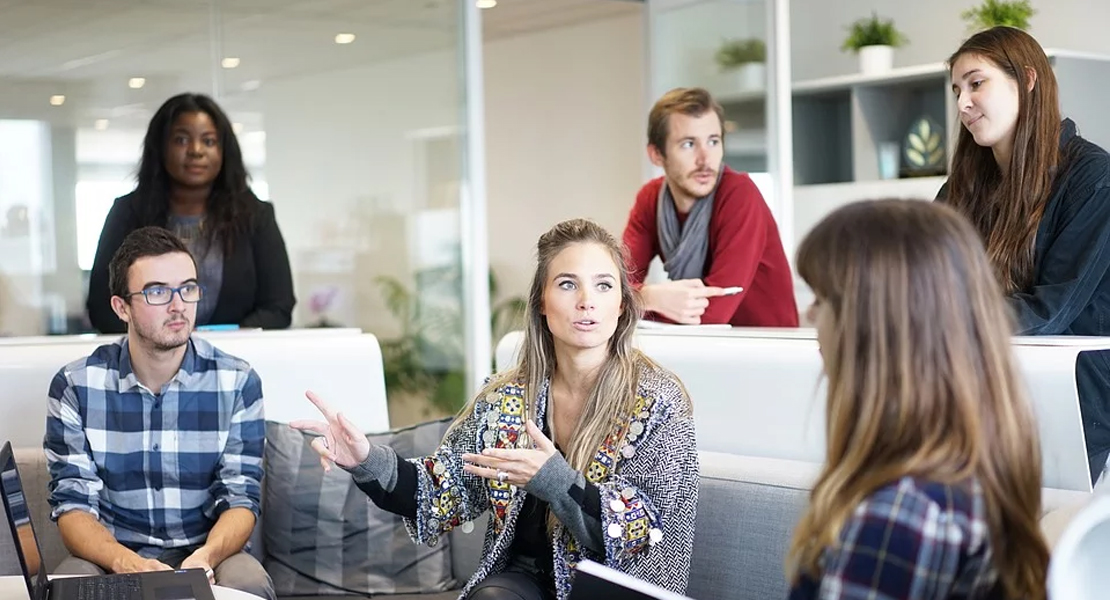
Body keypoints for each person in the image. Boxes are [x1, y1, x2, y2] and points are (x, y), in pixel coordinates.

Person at [292, 219, 699, 600]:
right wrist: (366, 460)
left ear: (622, 306)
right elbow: (443, 489)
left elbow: (642, 531)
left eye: (604, 286)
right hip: (522, 584)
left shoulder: (659, 400)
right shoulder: (507, 397)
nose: (587, 301)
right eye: (568, 284)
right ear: (542, 301)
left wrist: (555, 480)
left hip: (617, 587)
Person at [787, 200, 1049, 599]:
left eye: (822, 300)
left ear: (873, 327)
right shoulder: (969, 473)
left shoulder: (899, 516)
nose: (809, 316)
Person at [46, 227, 272, 599]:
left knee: (248, 582)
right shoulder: (75, 385)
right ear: (122, 307)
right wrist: (126, 563)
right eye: (157, 292)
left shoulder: (237, 381)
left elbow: (241, 497)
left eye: (188, 288)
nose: (178, 305)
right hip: (113, 555)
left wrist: (205, 557)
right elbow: (73, 506)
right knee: (68, 585)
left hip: (208, 552)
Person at [937, 26, 1110, 485]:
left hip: (1076, 399)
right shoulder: (961, 190)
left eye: (976, 83)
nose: (962, 104)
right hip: (985, 385)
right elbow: (924, 280)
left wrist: (937, 319)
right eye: (957, 90)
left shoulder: (1094, 178)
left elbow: (1050, 310)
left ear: (1028, 80)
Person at [87, 92, 295, 334]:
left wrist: (217, 343)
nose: (196, 151)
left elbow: (278, 307)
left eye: (209, 141)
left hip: (235, 361)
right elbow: (102, 308)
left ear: (224, 151)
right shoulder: (128, 213)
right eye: (181, 140)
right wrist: (165, 340)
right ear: (160, 147)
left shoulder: (256, 216)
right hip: (149, 363)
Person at [621, 87, 797, 327]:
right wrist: (649, 297)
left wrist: (636, 301)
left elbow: (713, 313)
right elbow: (613, 287)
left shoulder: (739, 194)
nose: (705, 159)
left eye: (713, 141)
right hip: (701, 348)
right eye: (688, 144)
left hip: (766, 350)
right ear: (656, 155)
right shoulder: (650, 199)